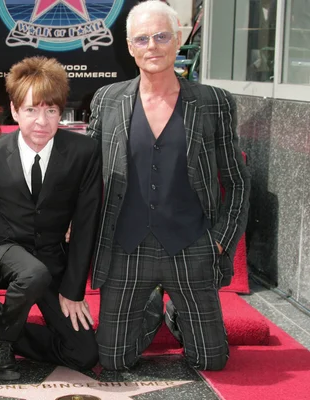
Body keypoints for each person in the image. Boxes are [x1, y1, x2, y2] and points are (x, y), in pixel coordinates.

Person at [87, 0, 250, 371]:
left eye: (161, 36)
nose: (152, 46)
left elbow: (237, 182)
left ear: (178, 40)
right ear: (129, 46)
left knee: (211, 360)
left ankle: (176, 310)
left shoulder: (213, 102)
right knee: (113, 361)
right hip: (126, 249)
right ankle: (148, 310)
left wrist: (221, 240)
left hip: (192, 246)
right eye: (142, 38)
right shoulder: (108, 100)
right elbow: (87, 175)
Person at [0, 56, 103, 380]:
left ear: (61, 111)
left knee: (83, 354)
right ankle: (2, 342)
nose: (41, 121)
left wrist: (73, 289)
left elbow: (85, 223)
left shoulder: (84, 152)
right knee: (31, 272)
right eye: (31, 110)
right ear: (14, 110)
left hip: (51, 261)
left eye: (50, 111)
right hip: (3, 250)